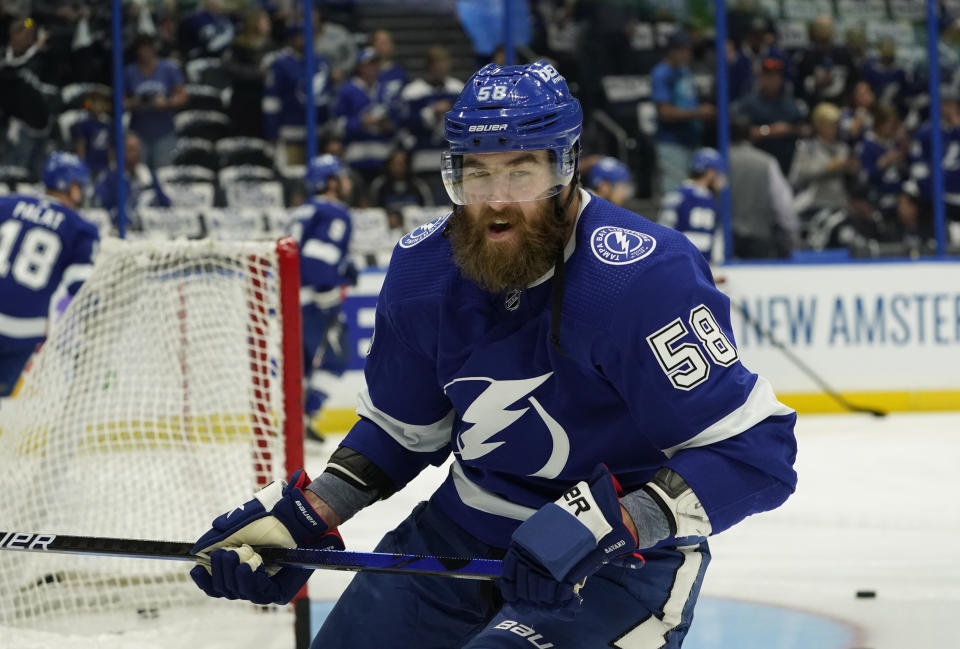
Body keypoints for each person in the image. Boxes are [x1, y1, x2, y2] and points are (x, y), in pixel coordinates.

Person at [189, 61, 798, 649]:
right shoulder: (423, 269)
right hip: (462, 534)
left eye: (521, 172)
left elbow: (754, 452)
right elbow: (405, 431)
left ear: (567, 169)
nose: (496, 200)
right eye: (477, 174)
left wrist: (615, 523)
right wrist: (308, 513)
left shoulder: (641, 278)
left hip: (617, 564)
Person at [0, 152, 99, 396]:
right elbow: (80, 288)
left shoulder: (6, 205)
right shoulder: (79, 228)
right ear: (71, 186)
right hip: (22, 329)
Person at [286, 154, 356, 443]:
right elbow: (316, 259)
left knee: (300, 363)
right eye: (340, 176)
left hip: (290, 300)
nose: (346, 181)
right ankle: (306, 415)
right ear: (330, 182)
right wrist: (329, 294)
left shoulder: (302, 211)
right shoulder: (335, 213)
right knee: (338, 358)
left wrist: (346, 268)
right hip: (313, 300)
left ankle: (295, 423)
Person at [728, 112, 799, 258]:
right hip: (759, 237)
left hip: (726, 238)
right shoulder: (766, 162)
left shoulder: (720, 161)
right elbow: (783, 203)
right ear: (750, 133)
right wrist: (792, 233)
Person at [651, 31, 715, 193]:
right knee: (675, 194)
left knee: (695, 193)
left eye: (688, 50)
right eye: (683, 50)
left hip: (691, 140)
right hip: (672, 143)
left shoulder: (685, 71)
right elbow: (664, 112)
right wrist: (699, 113)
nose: (687, 54)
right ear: (672, 50)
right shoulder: (661, 73)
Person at [123, 33, 187, 171]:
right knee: (141, 176)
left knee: (164, 174)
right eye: (141, 48)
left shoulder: (169, 68)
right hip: (139, 132)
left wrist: (166, 103)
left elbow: (182, 96)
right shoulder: (129, 71)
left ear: (153, 48)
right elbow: (120, 102)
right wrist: (134, 102)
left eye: (147, 47)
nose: (144, 52)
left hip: (164, 132)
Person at [658, 148, 724, 261]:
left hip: (688, 262)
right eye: (719, 174)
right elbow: (664, 233)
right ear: (710, 173)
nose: (722, 180)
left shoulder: (677, 195)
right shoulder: (680, 196)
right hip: (689, 263)